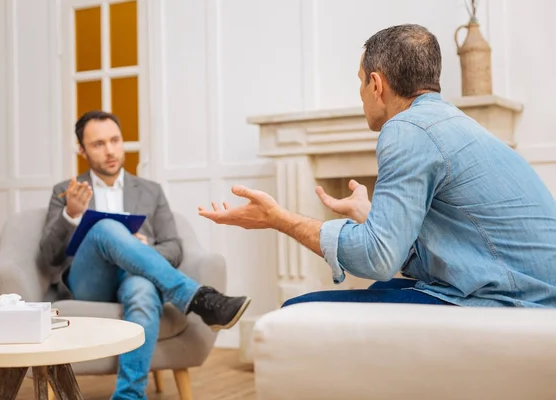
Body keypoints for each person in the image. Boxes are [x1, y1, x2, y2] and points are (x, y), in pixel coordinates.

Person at [197, 24, 556, 309]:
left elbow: (378, 257)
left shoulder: (406, 129)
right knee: (381, 289)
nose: (361, 93)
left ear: (376, 82)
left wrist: (279, 219)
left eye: (359, 81)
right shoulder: (451, 123)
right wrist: (371, 217)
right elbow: (454, 248)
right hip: (535, 291)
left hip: (513, 302)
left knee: (296, 310)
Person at [39, 110, 251, 400]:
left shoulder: (151, 192)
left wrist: (140, 249)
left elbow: (174, 247)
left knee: (143, 288)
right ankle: (198, 298)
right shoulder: (66, 191)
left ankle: (129, 396)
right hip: (89, 285)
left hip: (134, 279)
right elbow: (47, 257)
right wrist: (71, 214)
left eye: (115, 140)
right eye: (98, 144)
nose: (110, 150)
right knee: (105, 227)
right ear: (82, 149)